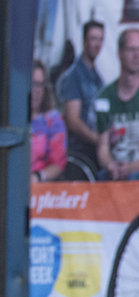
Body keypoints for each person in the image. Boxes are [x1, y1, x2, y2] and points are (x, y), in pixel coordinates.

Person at [58, 19, 105, 180]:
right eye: (93, 38)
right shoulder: (74, 76)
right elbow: (72, 120)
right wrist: (99, 140)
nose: (97, 44)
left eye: (100, 39)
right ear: (84, 41)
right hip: (79, 151)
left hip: (95, 149)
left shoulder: (97, 77)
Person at [97, 29, 139, 182]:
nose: (136, 55)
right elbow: (102, 147)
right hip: (114, 174)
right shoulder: (104, 97)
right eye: (131, 49)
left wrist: (131, 167)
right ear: (119, 53)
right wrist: (109, 165)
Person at [31, 60, 67, 183]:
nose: (37, 90)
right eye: (33, 84)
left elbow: (58, 164)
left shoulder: (53, 120)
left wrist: (37, 177)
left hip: (42, 185)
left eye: (40, 85)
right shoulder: (11, 117)